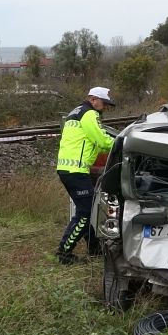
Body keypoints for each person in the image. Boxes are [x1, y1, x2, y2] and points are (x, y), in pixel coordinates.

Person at [54, 86, 116, 264]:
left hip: (69, 169)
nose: (105, 108)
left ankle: (94, 249)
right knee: (86, 212)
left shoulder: (76, 112)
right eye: (104, 103)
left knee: (88, 209)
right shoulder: (89, 114)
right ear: (93, 99)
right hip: (76, 171)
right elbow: (101, 140)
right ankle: (64, 253)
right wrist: (121, 143)